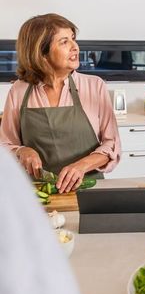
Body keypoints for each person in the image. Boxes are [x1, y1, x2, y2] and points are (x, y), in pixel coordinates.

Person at [0, 147, 113, 294]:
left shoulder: (100, 109)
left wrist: (82, 165)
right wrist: (22, 150)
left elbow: (112, 148)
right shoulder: (7, 183)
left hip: (89, 196)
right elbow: (7, 141)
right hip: (40, 196)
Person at [0, 13, 121, 193]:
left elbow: (111, 145)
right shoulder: (19, 90)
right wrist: (22, 151)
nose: (75, 47)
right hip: (38, 193)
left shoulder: (94, 85)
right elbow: (6, 144)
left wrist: (82, 165)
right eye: (64, 42)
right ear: (41, 53)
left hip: (89, 189)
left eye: (73, 39)